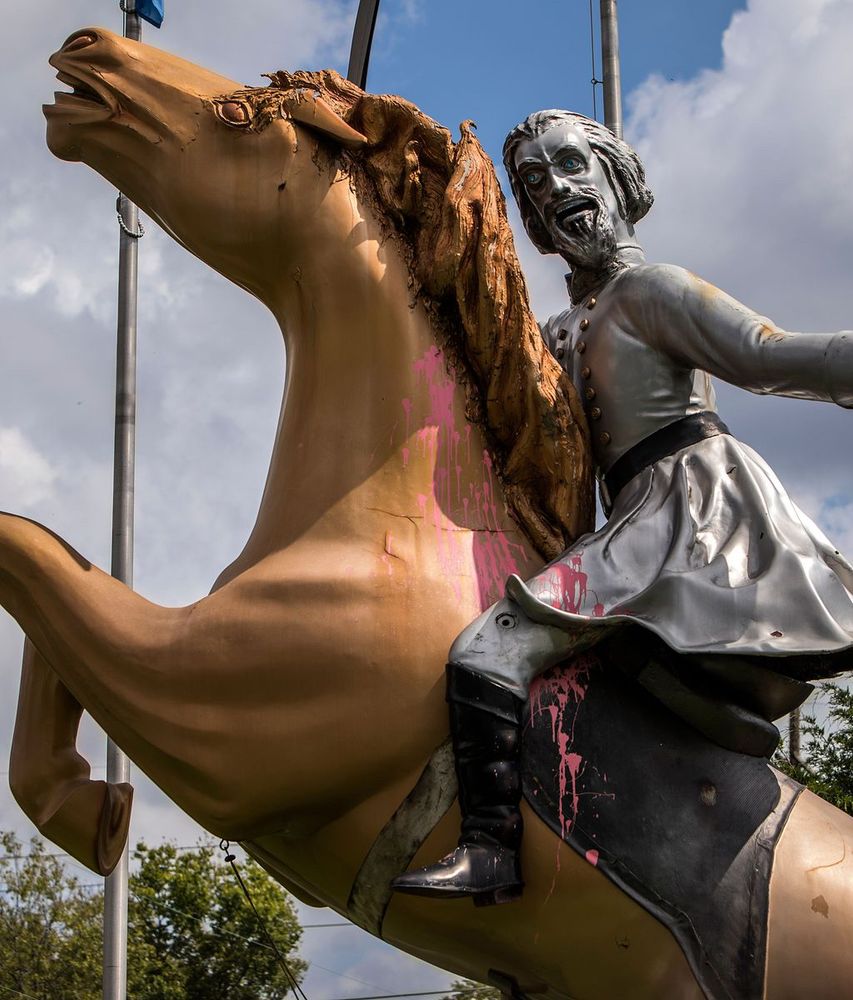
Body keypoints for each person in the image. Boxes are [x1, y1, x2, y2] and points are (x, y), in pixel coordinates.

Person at [390, 110, 853, 907]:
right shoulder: (557, 330)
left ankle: (491, 847)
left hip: (689, 509)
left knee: (489, 652)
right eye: (534, 184)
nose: (556, 189)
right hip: (625, 525)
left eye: (570, 165)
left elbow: (767, 357)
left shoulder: (649, 291)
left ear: (618, 180)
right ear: (530, 222)